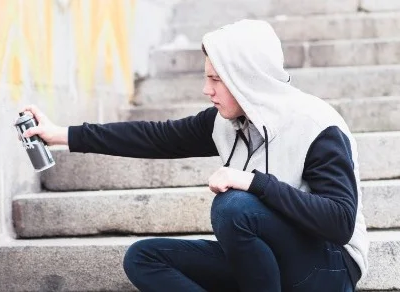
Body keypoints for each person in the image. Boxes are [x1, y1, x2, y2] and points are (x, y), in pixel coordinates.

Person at [19, 19, 368, 292]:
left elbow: (339, 221)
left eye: (217, 80)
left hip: (327, 269)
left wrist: (253, 182)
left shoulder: (316, 125)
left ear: (246, 79)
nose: (207, 90)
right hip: (268, 266)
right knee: (145, 258)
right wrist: (62, 135)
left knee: (233, 206)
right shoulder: (227, 122)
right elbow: (156, 137)